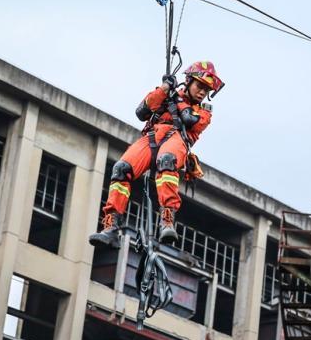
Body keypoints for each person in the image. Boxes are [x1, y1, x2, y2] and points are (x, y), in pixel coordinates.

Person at [89, 61, 224, 248]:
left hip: (177, 138)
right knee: (121, 169)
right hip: (152, 137)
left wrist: (175, 96)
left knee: (167, 160)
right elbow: (141, 112)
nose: (202, 92)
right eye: (200, 86)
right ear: (189, 81)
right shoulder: (167, 94)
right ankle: (111, 226)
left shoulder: (204, 112)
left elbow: (188, 119)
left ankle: (167, 220)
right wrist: (164, 88)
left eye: (206, 89)